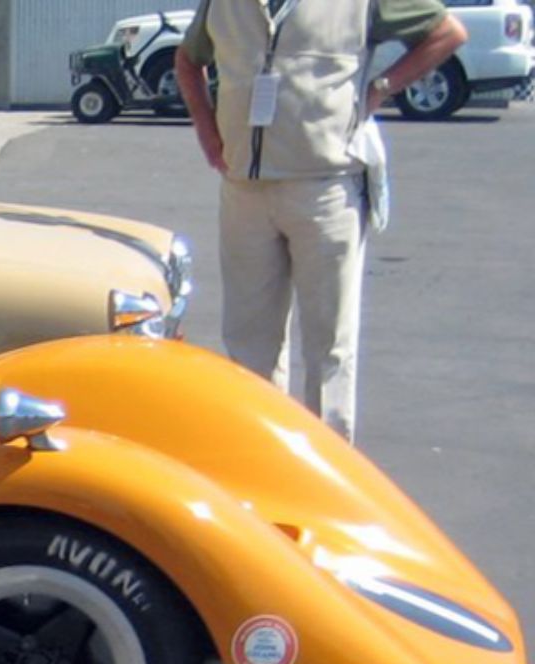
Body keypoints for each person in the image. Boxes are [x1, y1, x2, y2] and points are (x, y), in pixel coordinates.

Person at [175, 0, 465, 443]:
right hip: (244, 190)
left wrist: (380, 87)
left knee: (329, 348)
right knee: (249, 344)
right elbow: (188, 60)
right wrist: (206, 129)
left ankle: (324, 475)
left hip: (326, 186)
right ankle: (260, 462)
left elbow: (446, 33)